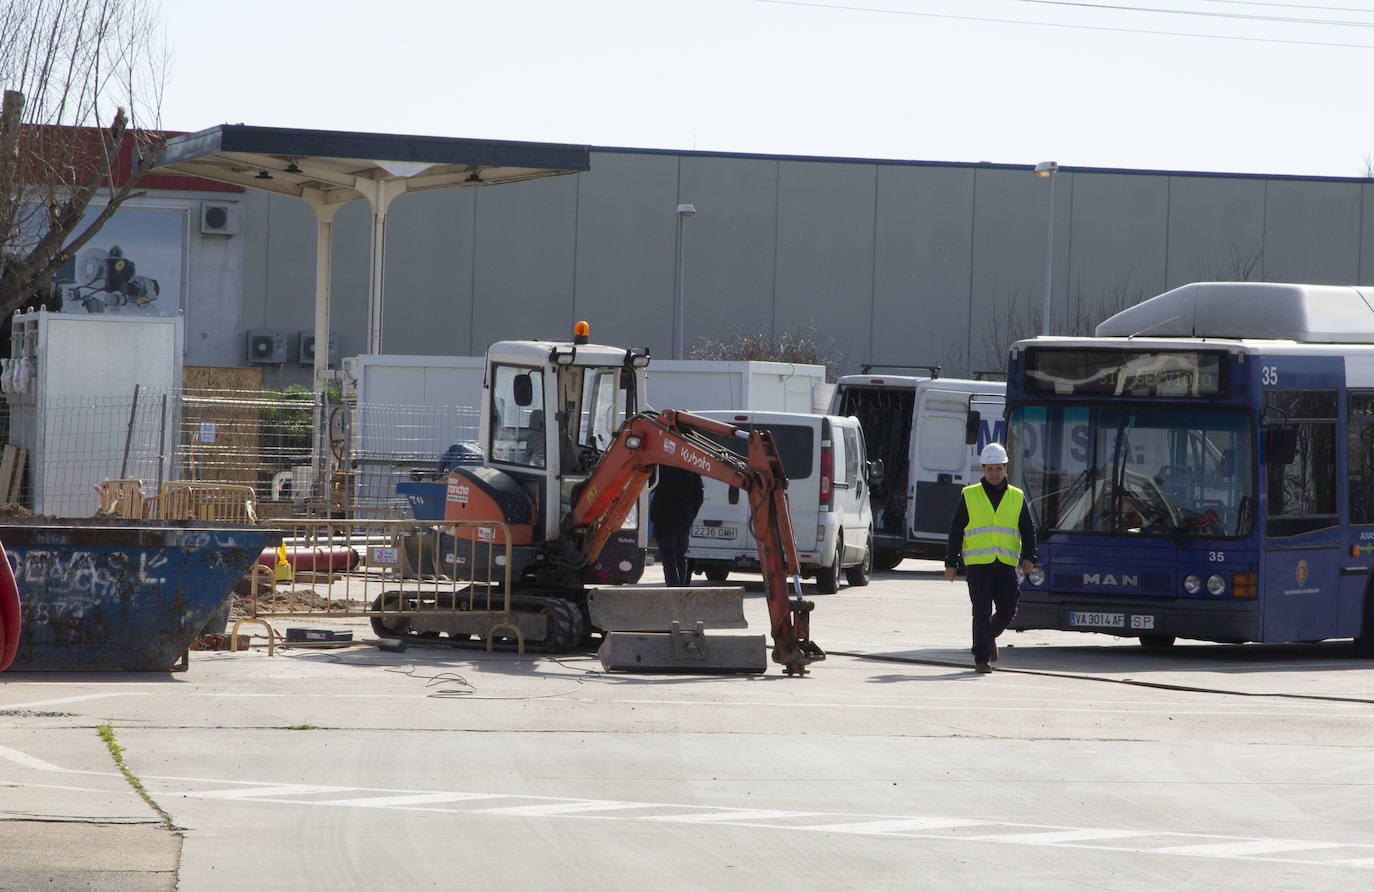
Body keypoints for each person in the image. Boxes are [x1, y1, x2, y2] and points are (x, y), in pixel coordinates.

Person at [944, 442, 1036, 674]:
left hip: (1005, 564)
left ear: (1006, 468)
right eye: (989, 469)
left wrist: (1029, 557)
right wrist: (950, 563)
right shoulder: (970, 495)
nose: (994, 474)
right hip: (978, 566)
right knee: (981, 611)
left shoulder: (1017, 497)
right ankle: (981, 659)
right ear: (983, 469)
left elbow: (1028, 530)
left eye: (998, 468)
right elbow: (956, 530)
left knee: (1008, 610)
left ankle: (989, 636)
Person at [650, 466, 704, 587]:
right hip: (684, 517)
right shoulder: (689, 466)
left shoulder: (661, 465)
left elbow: (649, 485)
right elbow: (699, 495)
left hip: (664, 517)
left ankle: (673, 588)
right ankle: (681, 589)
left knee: (669, 557)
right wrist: (691, 515)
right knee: (681, 556)